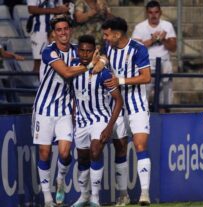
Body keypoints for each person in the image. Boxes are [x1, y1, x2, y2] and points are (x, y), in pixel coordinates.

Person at [32, 14, 104, 207]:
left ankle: (60, 181)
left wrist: (101, 62)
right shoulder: (49, 51)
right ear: (53, 33)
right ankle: (48, 199)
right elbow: (65, 71)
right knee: (45, 153)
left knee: (64, 153)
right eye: (59, 30)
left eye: (66, 29)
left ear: (70, 30)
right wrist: (90, 65)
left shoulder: (75, 50)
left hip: (64, 109)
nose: (63, 33)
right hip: (44, 109)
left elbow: (99, 55)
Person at [101, 17, 152, 206]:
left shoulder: (138, 49)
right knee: (120, 147)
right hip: (116, 106)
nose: (105, 38)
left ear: (117, 34)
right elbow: (102, 62)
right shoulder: (108, 48)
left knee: (140, 145)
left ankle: (145, 194)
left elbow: (146, 77)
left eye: (107, 35)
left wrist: (120, 81)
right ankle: (123, 194)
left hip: (137, 105)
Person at [70, 35, 123, 207]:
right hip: (81, 121)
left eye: (89, 51)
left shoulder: (104, 73)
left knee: (95, 151)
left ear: (95, 52)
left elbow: (118, 100)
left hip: (100, 119)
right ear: (78, 51)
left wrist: (109, 127)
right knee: (83, 159)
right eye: (82, 50)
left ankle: (95, 198)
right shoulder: (74, 70)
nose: (85, 54)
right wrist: (74, 118)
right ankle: (84, 196)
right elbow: (74, 98)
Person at [132, 0, 176, 112]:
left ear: (160, 12)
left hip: (164, 61)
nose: (153, 15)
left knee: (166, 90)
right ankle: (142, 113)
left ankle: (165, 112)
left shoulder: (167, 25)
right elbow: (135, 48)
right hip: (146, 63)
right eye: (151, 12)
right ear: (147, 13)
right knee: (144, 90)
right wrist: (153, 40)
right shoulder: (139, 27)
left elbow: (173, 47)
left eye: (156, 12)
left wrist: (164, 39)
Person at [27, 0, 70, 73]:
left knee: (57, 58)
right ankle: (37, 84)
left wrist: (64, 10)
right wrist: (55, 10)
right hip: (39, 30)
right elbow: (31, 9)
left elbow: (59, 8)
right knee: (39, 61)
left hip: (55, 29)